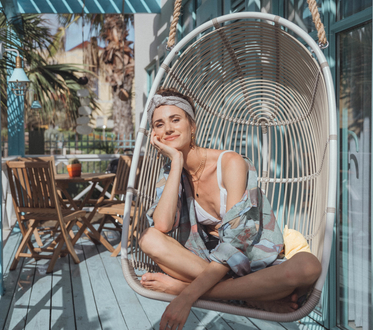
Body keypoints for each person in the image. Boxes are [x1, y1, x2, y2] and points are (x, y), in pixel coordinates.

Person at [138, 88, 322, 330]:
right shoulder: (172, 170)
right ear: (155, 135)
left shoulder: (230, 162)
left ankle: (186, 288)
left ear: (192, 126)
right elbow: (162, 225)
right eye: (159, 125)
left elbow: (237, 241)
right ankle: (253, 297)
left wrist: (183, 295)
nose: (168, 129)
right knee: (149, 239)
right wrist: (176, 163)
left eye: (175, 120)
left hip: (251, 257)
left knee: (308, 266)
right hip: (208, 261)